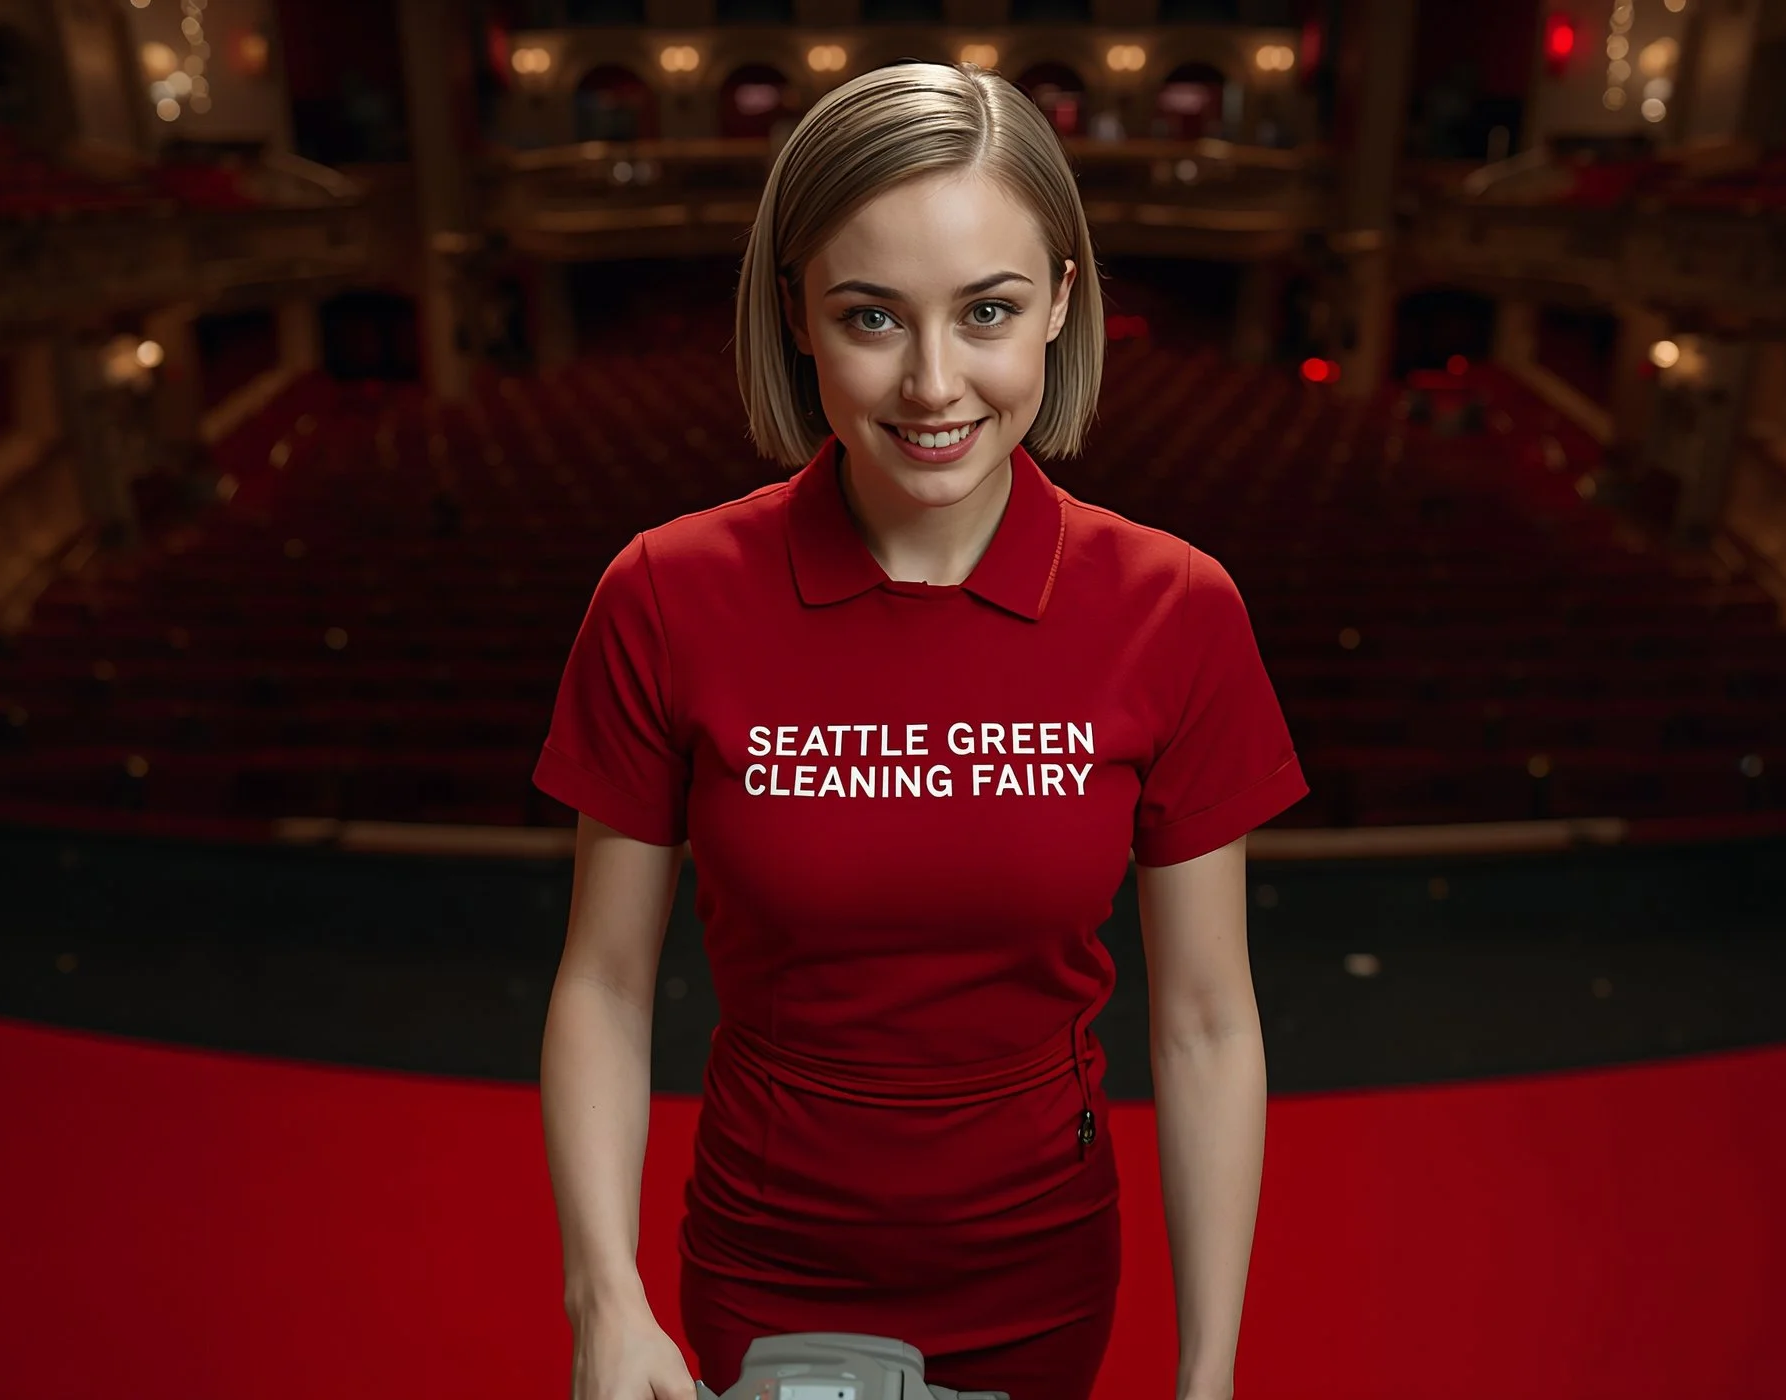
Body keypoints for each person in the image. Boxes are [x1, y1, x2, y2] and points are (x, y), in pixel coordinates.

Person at [536, 61, 1307, 1400]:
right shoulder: (661, 593)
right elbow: (603, 985)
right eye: (873, 317)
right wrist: (605, 1299)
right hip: (766, 1254)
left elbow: (1204, 1022)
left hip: (1041, 1263)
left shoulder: (1177, 607)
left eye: (987, 311)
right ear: (796, 314)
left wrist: (1209, 1375)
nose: (934, 383)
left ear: (1060, 299)